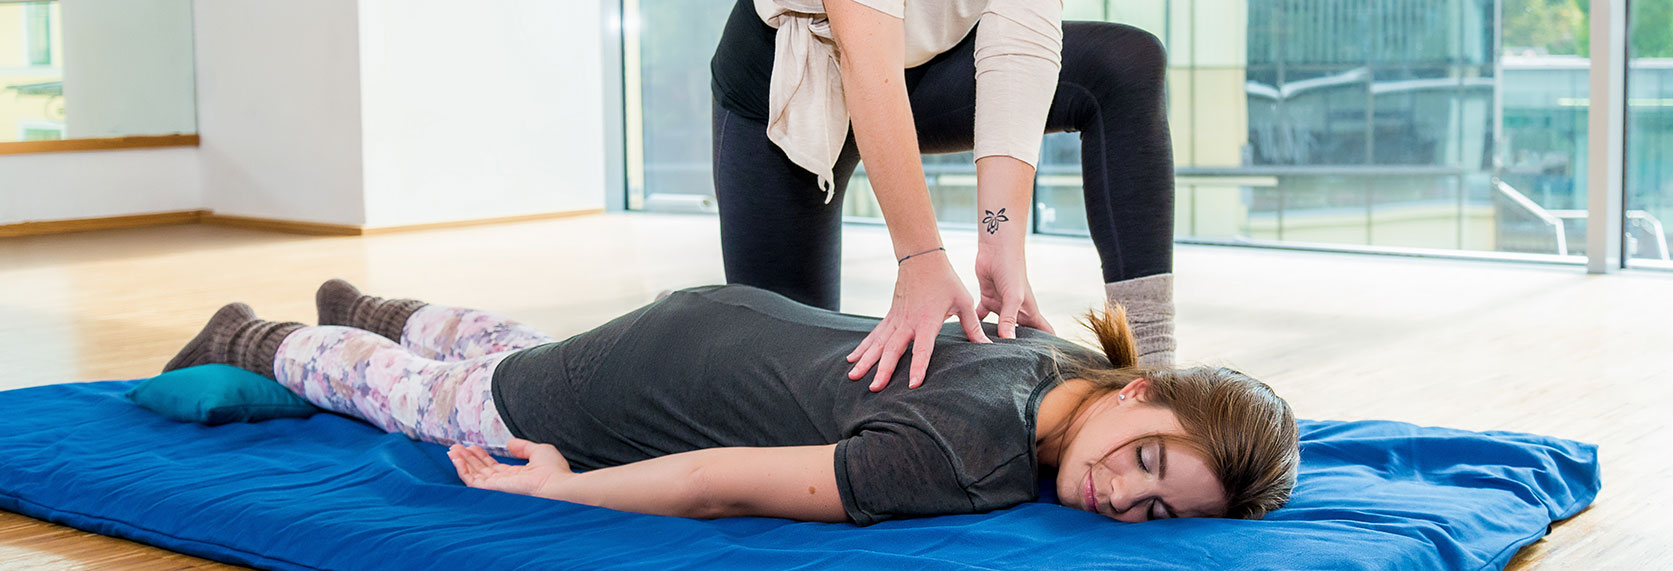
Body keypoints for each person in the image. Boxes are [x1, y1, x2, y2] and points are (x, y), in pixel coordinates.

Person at [164, 280, 1298, 524]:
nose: (1116, 493)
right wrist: (573, 485)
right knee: (454, 399)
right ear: (1140, 390)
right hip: (613, 399)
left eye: (1155, 511)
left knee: (518, 346)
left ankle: (385, 304)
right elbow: (717, 479)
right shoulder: (962, 458)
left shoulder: (1051, 356)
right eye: (1145, 459)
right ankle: (262, 336)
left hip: (708, 318)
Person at [710, 0, 1180, 390]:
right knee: (782, 374)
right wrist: (921, 259)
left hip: (920, 71)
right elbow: (869, 62)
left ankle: (1157, 377)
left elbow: (1020, 40)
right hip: (785, 85)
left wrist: (1002, 243)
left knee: (1125, 63)